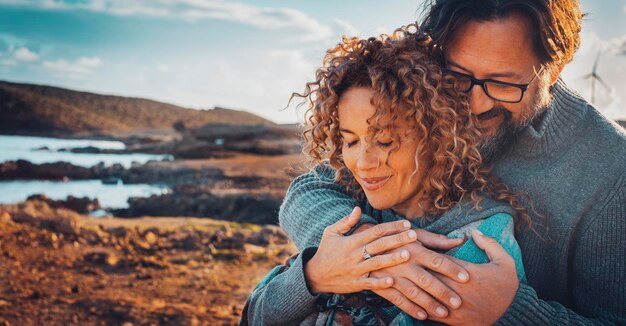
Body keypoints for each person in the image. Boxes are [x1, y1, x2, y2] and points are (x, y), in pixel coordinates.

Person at [280, 0, 626, 325]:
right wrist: (370, 245)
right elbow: (315, 185)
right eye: (458, 75)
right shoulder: (430, 103)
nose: (473, 105)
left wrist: (509, 313)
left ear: (554, 72)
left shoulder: (612, 169)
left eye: (502, 83)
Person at [241, 26, 532, 325]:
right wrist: (314, 275)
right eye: (350, 141)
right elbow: (253, 316)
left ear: (439, 138)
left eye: (385, 141)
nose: (363, 163)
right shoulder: (350, 208)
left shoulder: (476, 242)